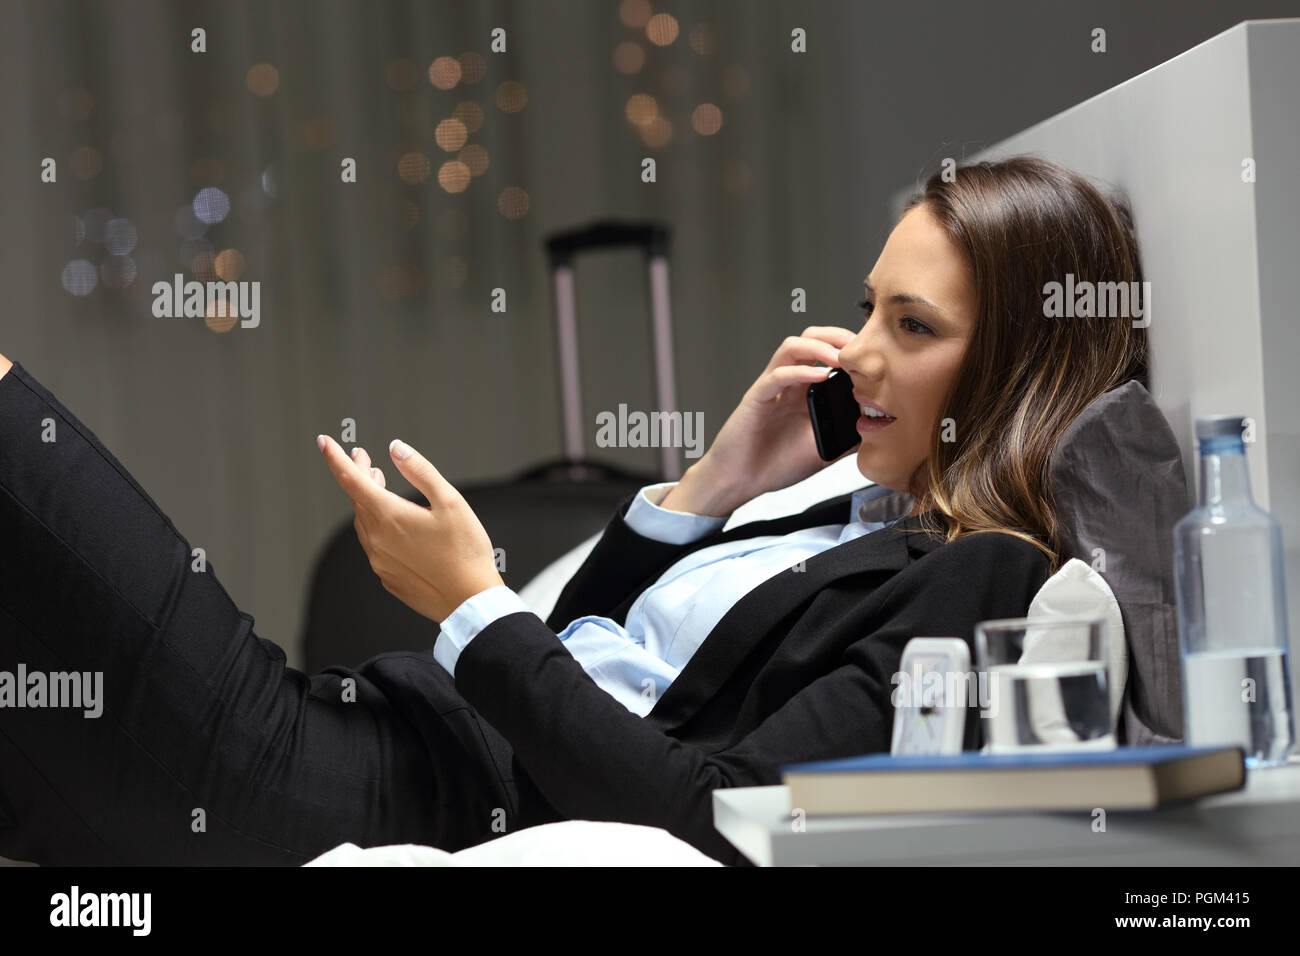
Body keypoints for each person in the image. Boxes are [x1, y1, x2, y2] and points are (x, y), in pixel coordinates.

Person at [0, 156, 1147, 866]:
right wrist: (713, 484)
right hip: (374, 730)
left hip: (388, 796)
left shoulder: (980, 578)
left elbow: (723, 815)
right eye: (865, 309)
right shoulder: (839, 509)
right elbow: (606, 658)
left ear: (1015, 368)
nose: (853, 349)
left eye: (912, 325)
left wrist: (472, 606)